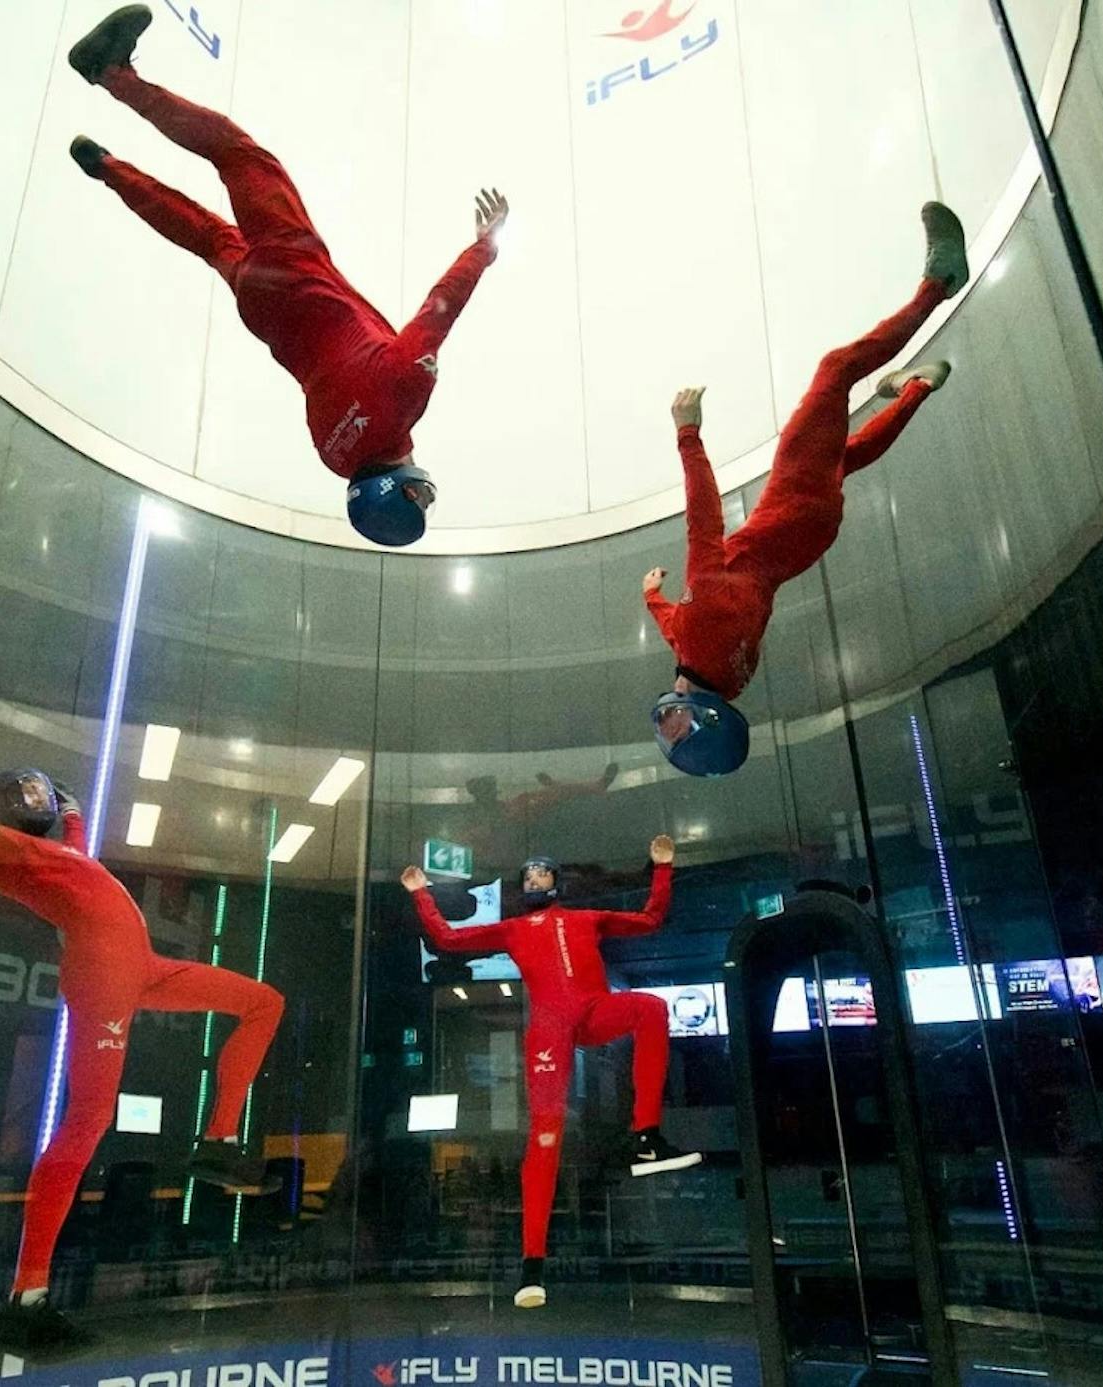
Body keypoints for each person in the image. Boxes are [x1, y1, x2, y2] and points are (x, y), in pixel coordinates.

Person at [0, 658, 283, 1349]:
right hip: (104, 977)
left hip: (139, 968)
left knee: (264, 1003)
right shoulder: (4, 847)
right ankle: (27, 1295)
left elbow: (81, 861)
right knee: (86, 1122)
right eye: (26, 788)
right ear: (6, 808)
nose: (37, 790)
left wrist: (75, 814)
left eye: (38, 784)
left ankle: (216, 1143)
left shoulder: (52, 857)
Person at [64, 5, 508, 546]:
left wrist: (484, 247)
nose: (426, 490)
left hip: (295, 274)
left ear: (405, 490)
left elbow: (440, 306)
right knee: (207, 237)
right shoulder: (334, 456)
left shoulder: (405, 394)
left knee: (237, 155)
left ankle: (112, 74)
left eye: (423, 496)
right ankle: (106, 167)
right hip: (261, 311)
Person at [646, 203, 969, 775]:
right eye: (680, 732)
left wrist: (652, 596)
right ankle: (939, 283)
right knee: (836, 370)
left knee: (842, 458)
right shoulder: (700, 640)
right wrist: (688, 433)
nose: (666, 728)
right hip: (790, 512)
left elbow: (680, 627)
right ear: (704, 716)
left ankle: (917, 387)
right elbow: (704, 524)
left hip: (805, 539)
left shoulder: (725, 675)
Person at [402, 836, 698, 1309]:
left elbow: (649, 920)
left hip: (595, 1010)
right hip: (549, 1031)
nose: (535, 879)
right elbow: (448, 940)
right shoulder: (513, 929)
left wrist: (662, 868)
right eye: (528, 876)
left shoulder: (586, 919)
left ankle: (647, 1135)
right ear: (522, 886)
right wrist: (421, 893)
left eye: (542, 873)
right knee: (545, 1135)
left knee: (652, 1009)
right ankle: (531, 1268)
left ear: (557, 882)